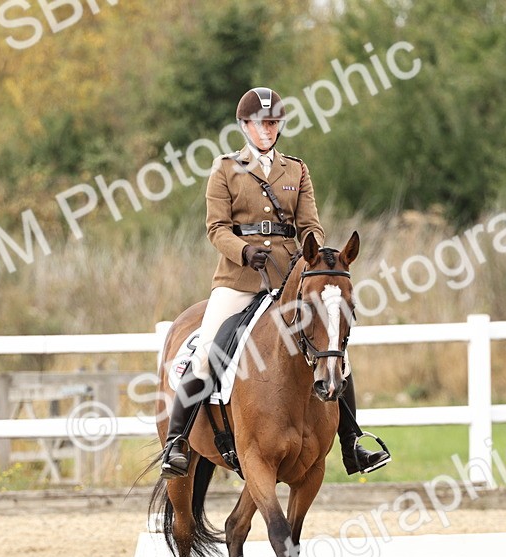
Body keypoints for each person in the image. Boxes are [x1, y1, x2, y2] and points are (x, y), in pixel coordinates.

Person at [160, 86, 390, 478]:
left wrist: (312, 257)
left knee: (337, 356)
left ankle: (352, 443)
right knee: (204, 354)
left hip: (288, 279)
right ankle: (176, 443)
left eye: (272, 123)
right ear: (244, 126)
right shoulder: (225, 169)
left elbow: (310, 226)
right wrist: (244, 252)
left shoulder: (296, 170)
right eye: (258, 124)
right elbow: (216, 228)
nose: (266, 130)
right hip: (237, 279)